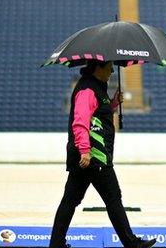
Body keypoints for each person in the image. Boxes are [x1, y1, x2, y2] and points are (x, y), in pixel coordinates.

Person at [49, 60, 156, 248]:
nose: (113, 70)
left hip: (89, 156)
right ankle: (131, 243)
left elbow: (98, 114)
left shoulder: (97, 87)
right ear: (98, 67)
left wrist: (114, 102)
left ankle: (56, 244)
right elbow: (80, 122)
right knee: (113, 198)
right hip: (92, 156)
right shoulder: (87, 90)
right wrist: (85, 151)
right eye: (109, 67)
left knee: (70, 200)